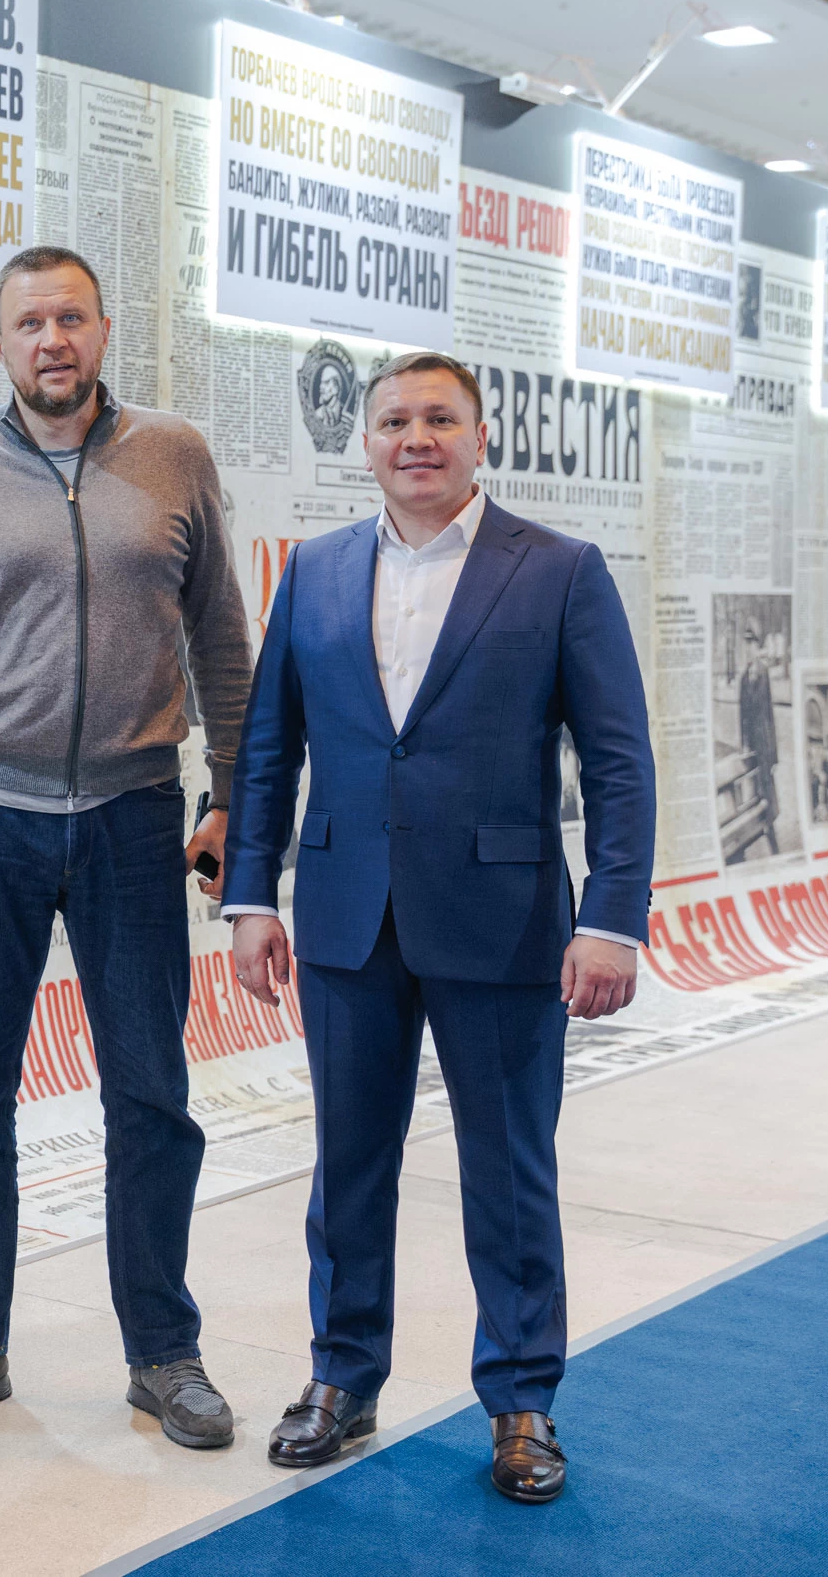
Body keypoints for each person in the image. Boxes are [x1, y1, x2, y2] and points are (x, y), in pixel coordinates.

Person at [221, 351, 656, 1504]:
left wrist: (611, 919)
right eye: (394, 421)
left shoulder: (558, 570)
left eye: (439, 419)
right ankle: (340, 1377)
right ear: (364, 442)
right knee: (347, 1169)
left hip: (503, 922)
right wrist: (251, 896)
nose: (415, 438)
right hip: (344, 921)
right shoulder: (314, 570)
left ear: (479, 436)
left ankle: (520, 1401)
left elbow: (617, 761)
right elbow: (267, 751)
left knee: (509, 1175)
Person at [0, 245, 253, 1446]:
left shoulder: (175, 456)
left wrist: (236, 795)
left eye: (71, 318)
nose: (53, 340)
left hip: (135, 819)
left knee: (152, 1093)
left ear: (101, 331)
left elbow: (221, 640)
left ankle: (164, 1354)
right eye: (29, 323)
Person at [737, 622, 781, 855]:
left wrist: (774, 754)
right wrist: (744, 743)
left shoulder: (763, 673)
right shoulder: (744, 678)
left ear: (757, 647)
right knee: (755, 789)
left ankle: (772, 832)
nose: (748, 649)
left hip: (763, 743)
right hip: (752, 744)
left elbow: (769, 714)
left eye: (751, 644)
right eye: (746, 645)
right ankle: (761, 829)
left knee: (767, 788)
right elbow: (742, 716)